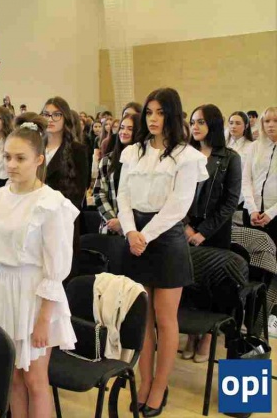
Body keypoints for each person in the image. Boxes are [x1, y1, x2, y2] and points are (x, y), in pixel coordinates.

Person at [0, 113, 77, 418]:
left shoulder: (51, 203)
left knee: (35, 379)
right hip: (2, 292)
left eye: (20, 158)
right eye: (7, 157)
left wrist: (44, 318)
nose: (12, 164)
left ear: (39, 160)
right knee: (12, 377)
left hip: (34, 295)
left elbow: (55, 267)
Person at [117, 88, 208, 416]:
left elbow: (178, 206)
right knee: (144, 318)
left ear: (172, 115)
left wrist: (144, 235)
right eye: (149, 112)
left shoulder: (187, 156)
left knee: (166, 319)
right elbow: (123, 195)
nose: (153, 119)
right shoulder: (133, 151)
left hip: (166, 237)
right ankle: (145, 382)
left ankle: (159, 386)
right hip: (136, 236)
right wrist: (130, 231)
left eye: (160, 113)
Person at [182, 104, 242, 363]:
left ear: (214, 125)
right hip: (186, 227)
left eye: (201, 122)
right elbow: (175, 193)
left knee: (212, 284)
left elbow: (230, 202)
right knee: (189, 282)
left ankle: (207, 337)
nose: (195, 126)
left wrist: (203, 232)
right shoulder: (185, 154)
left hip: (215, 230)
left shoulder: (230, 157)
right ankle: (191, 335)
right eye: (193, 122)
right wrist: (186, 226)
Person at [42, 97, 88, 261]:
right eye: (46, 114)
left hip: (63, 220)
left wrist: (56, 214)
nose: (50, 119)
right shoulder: (36, 147)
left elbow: (79, 192)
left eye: (56, 115)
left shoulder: (77, 150)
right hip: (36, 219)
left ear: (65, 118)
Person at [93, 114, 139, 234]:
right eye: (122, 128)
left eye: (130, 129)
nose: (124, 132)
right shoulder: (108, 160)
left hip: (137, 227)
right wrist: (113, 220)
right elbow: (99, 193)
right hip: (111, 226)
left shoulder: (144, 161)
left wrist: (125, 222)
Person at [241, 106, 277, 247]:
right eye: (267, 121)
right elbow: (246, 179)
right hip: (252, 211)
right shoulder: (254, 146)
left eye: (275, 121)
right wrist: (252, 209)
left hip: (274, 212)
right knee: (251, 253)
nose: (271, 125)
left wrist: (271, 213)